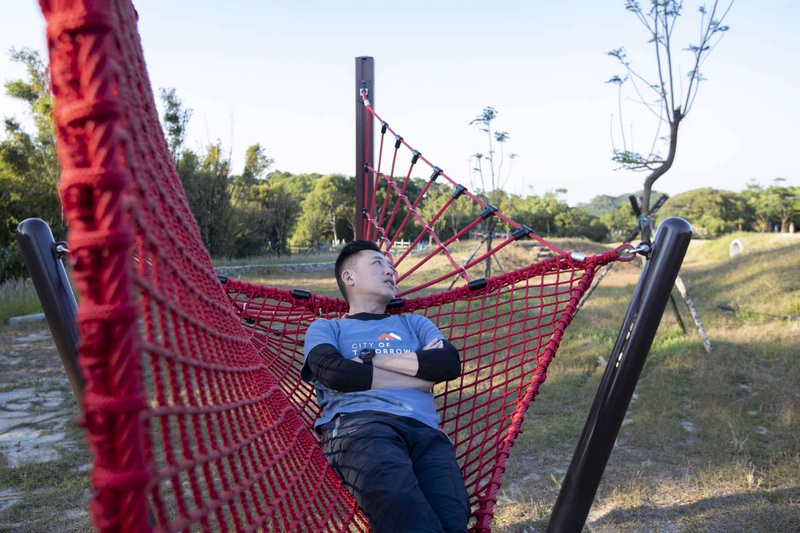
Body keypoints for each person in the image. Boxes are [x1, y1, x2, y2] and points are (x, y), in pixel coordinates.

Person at [301, 240, 471, 532]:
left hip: (426, 433)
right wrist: (420, 378)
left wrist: (369, 358)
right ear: (349, 277)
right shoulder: (328, 328)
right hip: (360, 427)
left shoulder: (414, 324)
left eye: (391, 266)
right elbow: (334, 373)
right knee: (400, 500)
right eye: (378, 263)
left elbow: (447, 364)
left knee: (455, 517)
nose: (391, 271)